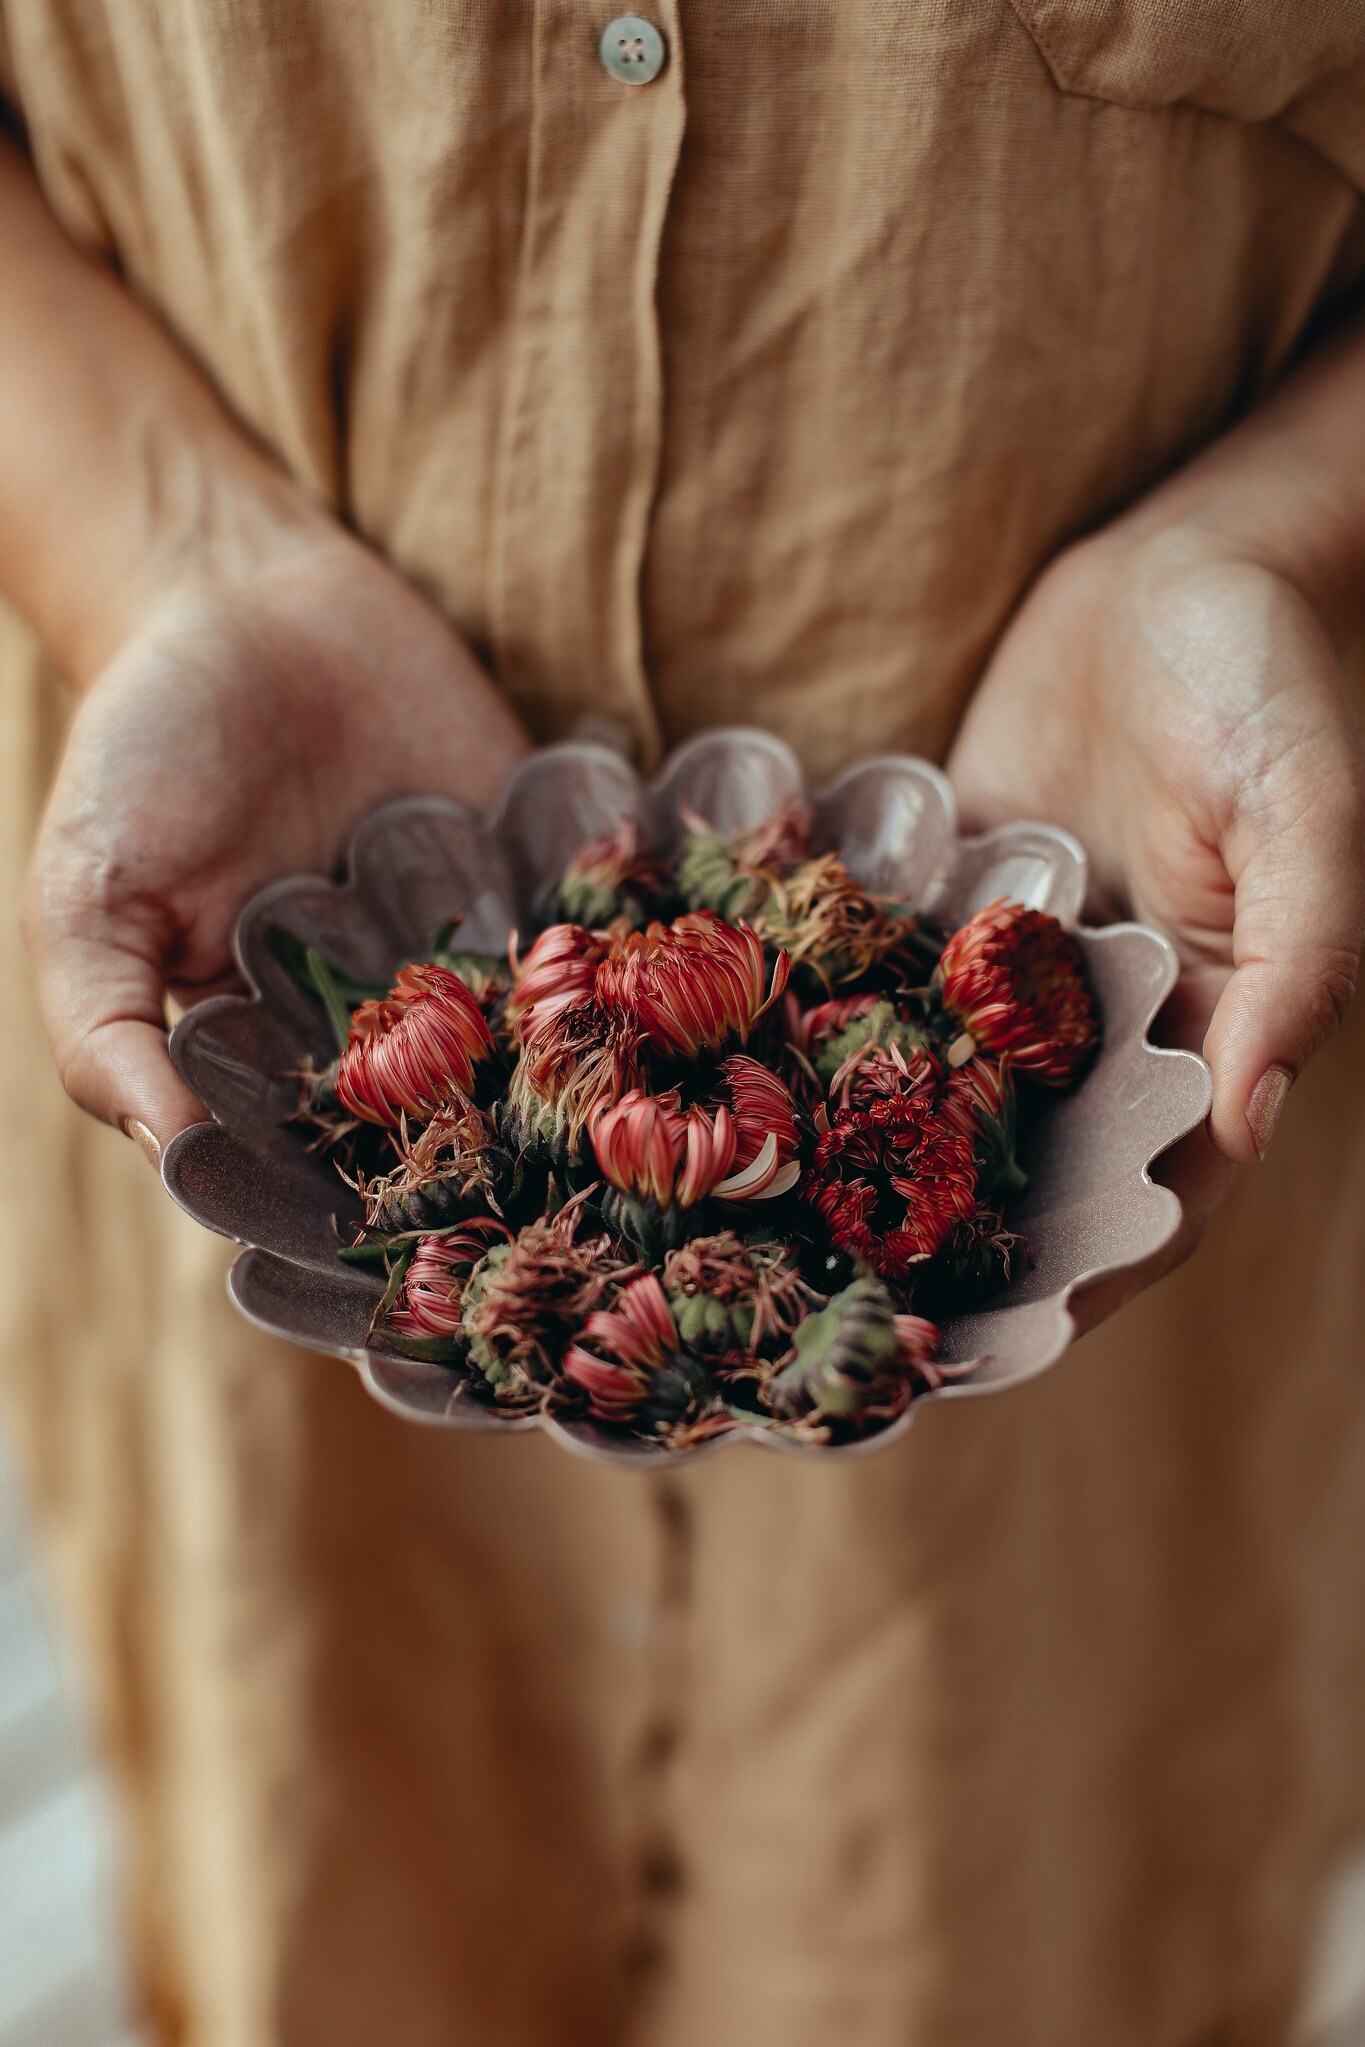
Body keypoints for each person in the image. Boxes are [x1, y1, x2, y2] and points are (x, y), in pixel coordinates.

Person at [2, 8, 1364, 2043]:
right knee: (338, 1888)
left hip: (1132, 1181)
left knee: (995, 1937)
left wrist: (1274, 534)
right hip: (261, 1044)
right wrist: (147, 552)